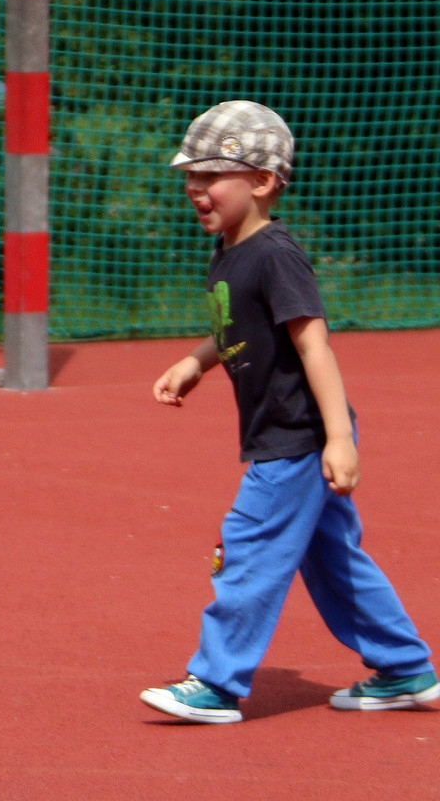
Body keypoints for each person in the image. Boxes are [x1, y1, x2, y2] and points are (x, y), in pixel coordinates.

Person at [140, 101, 436, 724]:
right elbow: (238, 327)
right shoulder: (230, 249)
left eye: (211, 176)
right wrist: (196, 363)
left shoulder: (275, 252)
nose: (196, 189)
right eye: (189, 178)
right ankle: (405, 669)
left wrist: (338, 439)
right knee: (333, 559)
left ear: (263, 182)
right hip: (290, 433)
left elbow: (313, 343)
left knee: (248, 545)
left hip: (297, 436)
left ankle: (217, 683)